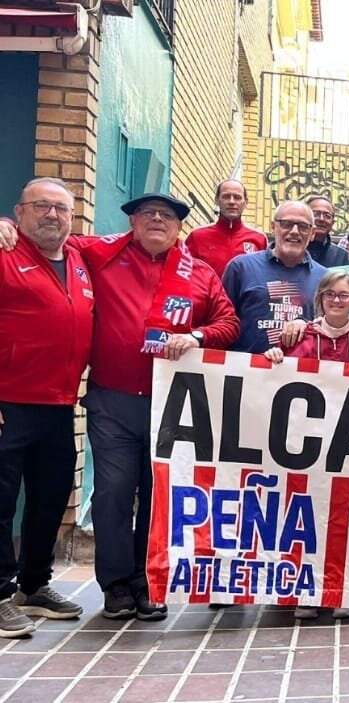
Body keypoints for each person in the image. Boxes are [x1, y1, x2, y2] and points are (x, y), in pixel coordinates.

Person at [0, 192, 241, 621]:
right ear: (131, 221)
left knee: (157, 495)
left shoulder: (200, 273)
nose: (156, 220)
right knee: (113, 493)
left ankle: (147, 583)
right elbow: (46, 236)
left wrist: (199, 337)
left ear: (178, 227)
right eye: (146, 213)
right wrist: (6, 225)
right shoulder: (97, 252)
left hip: (173, 405)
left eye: (166, 216)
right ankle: (115, 585)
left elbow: (229, 323)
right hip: (112, 400)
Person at [263, 268, 349, 621]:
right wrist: (271, 361)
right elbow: (273, 378)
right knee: (304, 518)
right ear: (320, 298)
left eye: (344, 295)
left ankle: (342, 589)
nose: (336, 300)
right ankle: (306, 591)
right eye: (330, 294)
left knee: (346, 518)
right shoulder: (298, 339)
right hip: (305, 447)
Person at [0, 179, 93, 638]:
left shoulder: (79, 260)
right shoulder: (4, 253)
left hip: (58, 406)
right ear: (19, 213)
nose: (52, 215)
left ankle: (32, 586)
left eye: (61, 208)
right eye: (42, 206)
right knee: (0, 503)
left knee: (50, 499)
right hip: (8, 403)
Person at [222, 201, 327, 353]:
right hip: (245, 372)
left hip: (300, 374)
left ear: (312, 234)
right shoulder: (241, 268)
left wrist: (307, 325)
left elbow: (330, 331)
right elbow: (223, 322)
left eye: (303, 226)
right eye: (286, 224)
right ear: (273, 227)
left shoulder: (325, 278)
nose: (294, 231)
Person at [184, 179, 267, 278]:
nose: (231, 202)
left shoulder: (259, 239)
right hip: (207, 294)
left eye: (237, 197)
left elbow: (264, 278)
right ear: (216, 200)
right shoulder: (197, 236)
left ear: (245, 202)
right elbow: (184, 275)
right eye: (226, 197)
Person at [306, 196, 349, 268]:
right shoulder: (293, 249)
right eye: (315, 214)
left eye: (327, 216)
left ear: (333, 222)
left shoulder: (342, 257)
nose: (321, 219)